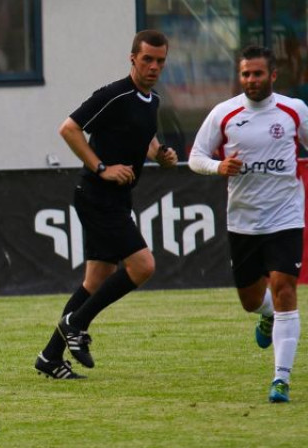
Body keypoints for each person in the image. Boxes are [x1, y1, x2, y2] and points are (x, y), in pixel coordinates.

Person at [33, 30, 178, 379]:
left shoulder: (151, 100)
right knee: (143, 266)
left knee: (95, 281)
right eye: (147, 59)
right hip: (97, 196)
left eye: (160, 61)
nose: (154, 66)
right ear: (132, 58)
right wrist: (101, 167)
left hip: (116, 198)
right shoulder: (114, 95)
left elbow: (144, 139)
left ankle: (50, 357)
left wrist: (160, 154)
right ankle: (76, 323)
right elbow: (69, 129)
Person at [188, 45, 304, 403]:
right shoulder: (224, 114)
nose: (251, 80)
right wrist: (218, 167)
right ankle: (266, 315)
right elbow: (196, 157)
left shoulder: (293, 111)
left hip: (286, 216)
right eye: (245, 74)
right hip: (243, 222)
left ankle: (280, 379)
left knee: (285, 288)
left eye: (257, 73)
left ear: (273, 75)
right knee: (251, 299)